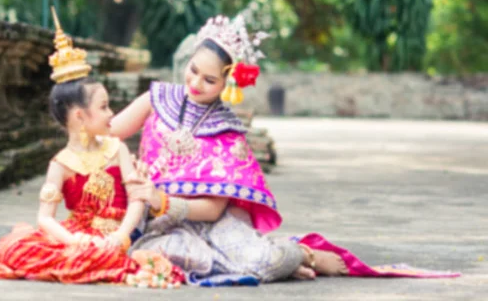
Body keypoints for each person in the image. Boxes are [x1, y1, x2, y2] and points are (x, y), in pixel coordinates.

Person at [110, 15, 460, 285]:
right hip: (153, 220)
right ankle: (285, 260)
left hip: (206, 222)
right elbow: (107, 136)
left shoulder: (228, 131)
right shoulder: (156, 98)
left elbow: (215, 210)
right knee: (152, 256)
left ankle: (303, 254)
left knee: (261, 264)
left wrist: (164, 200)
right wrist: (131, 173)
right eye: (193, 71)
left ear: (227, 83)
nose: (195, 84)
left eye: (209, 80)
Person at [0, 9, 182, 288]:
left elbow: (136, 200)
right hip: (79, 236)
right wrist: (76, 240)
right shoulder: (60, 164)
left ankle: (17, 263)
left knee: (106, 260)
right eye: (103, 107)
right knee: (28, 246)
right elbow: (45, 219)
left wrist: (122, 235)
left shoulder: (117, 148)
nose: (112, 114)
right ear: (79, 117)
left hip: (118, 235)